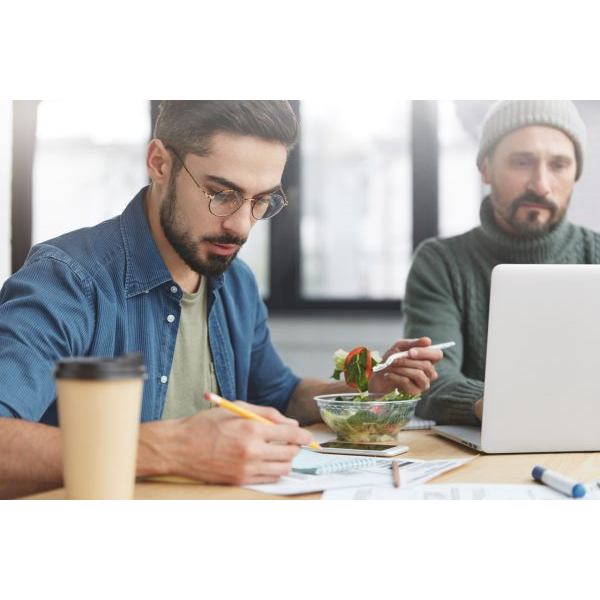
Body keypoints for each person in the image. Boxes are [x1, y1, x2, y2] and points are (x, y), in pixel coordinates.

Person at [0, 101, 443, 499]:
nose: (241, 227)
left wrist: (363, 387)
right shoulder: (68, 279)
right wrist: (174, 449)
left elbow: (280, 394)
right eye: (222, 194)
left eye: (261, 201)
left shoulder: (236, 281)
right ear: (159, 163)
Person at [403, 100, 600, 425]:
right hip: (480, 449)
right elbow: (430, 382)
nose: (540, 185)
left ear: (576, 173)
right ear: (486, 169)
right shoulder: (440, 263)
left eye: (559, 165)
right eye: (522, 162)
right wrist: (507, 408)